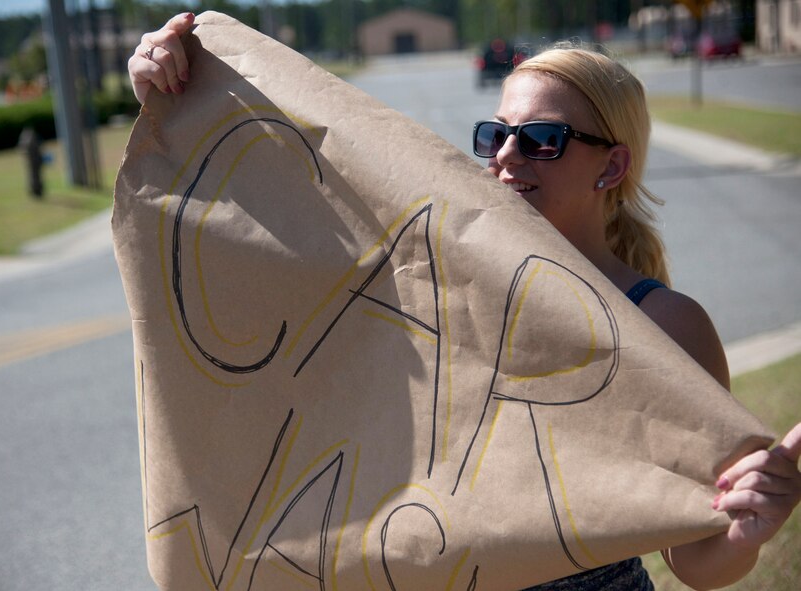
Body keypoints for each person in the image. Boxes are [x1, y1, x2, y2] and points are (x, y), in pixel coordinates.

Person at [128, 13, 801, 590]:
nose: (507, 156)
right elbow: (265, 225)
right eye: (494, 134)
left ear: (612, 166)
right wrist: (179, 92)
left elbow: (694, 560)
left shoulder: (663, 324)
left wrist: (747, 529)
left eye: (543, 140)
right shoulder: (424, 276)